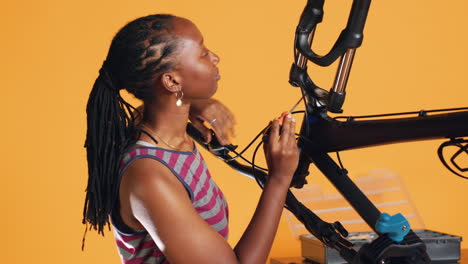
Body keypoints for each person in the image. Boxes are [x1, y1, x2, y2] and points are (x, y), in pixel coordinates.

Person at [83, 14, 299, 264]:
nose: (215, 58)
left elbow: (156, 105)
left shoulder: (166, 136)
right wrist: (279, 179)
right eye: (203, 53)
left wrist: (192, 102)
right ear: (172, 80)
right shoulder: (150, 178)